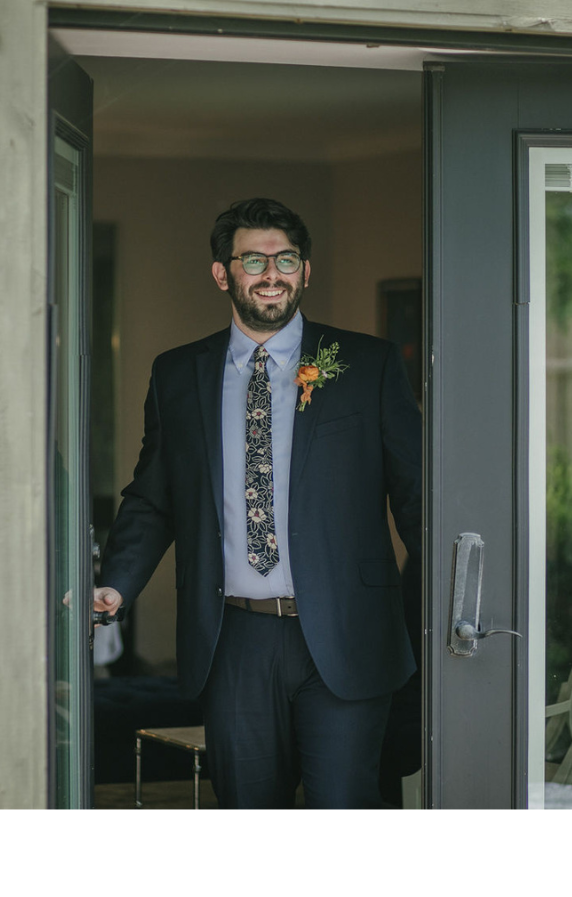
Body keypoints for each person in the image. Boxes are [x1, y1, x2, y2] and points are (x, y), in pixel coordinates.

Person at [93, 198, 421, 808]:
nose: (272, 273)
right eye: (254, 259)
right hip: (233, 637)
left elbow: (417, 496)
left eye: (286, 259)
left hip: (350, 632)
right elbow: (153, 495)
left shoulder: (366, 365)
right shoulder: (177, 374)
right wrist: (116, 582)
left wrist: (442, 605)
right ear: (224, 273)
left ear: (306, 270)